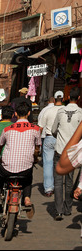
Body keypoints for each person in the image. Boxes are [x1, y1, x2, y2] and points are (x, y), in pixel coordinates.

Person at [0, 102, 41, 224]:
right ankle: (26, 198)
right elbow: (37, 149)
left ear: (15, 114)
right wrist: (34, 159)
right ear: (29, 113)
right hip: (26, 167)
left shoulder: (7, 129)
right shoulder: (36, 129)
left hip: (7, 167)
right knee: (28, 178)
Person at [51, 87, 82, 220]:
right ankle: (68, 208)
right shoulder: (81, 112)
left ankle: (58, 211)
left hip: (59, 150)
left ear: (68, 97)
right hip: (73, 153)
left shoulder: (60, 111)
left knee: (58, 182)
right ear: (79, 98)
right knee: (69, 181)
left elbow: (53, 130)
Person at [38, 91, 64, 197]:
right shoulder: (65, 111)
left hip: (49, 138)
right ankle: (59, 187)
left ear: (54, 100)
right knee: (61, 164)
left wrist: (37, 141)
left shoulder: (48, 111)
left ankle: (48, 189)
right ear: (62, 99)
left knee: (48, 164)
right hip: (62, 139)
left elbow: (40, 127)